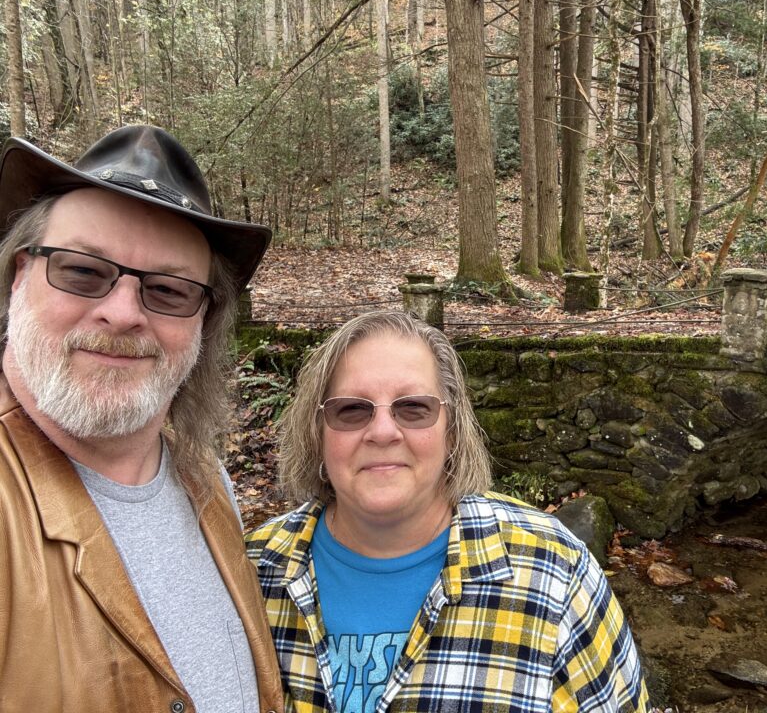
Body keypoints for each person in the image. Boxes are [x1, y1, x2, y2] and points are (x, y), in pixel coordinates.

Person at [0, 125, 284, 712]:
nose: (124, 313)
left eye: (169, 290)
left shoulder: (206, 480)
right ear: (20, 274)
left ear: (203, 320)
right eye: (83, 271)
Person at [246, 310, 650, 713]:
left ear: (452, 430)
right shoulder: (250, 571)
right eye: (352, 409)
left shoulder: (555, 572)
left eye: (413, 408)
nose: (383, 432)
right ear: (318, 432)